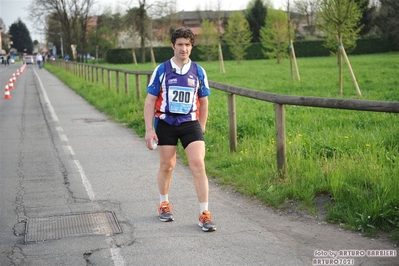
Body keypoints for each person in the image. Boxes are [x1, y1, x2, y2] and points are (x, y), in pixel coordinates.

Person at [144, 27, 216, 232]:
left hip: (190, 123)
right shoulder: (161, 70)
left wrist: (201, 128)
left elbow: (204, 102)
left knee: (198, 165)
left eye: (187, 45)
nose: (184, 49)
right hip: (166, 122)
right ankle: (164, 204)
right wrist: (149, 130)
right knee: (167, 166)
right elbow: (149, 101)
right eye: (180, 45)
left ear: (191, 46)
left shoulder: (199, 71)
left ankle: (204, 214)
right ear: (173, 46)